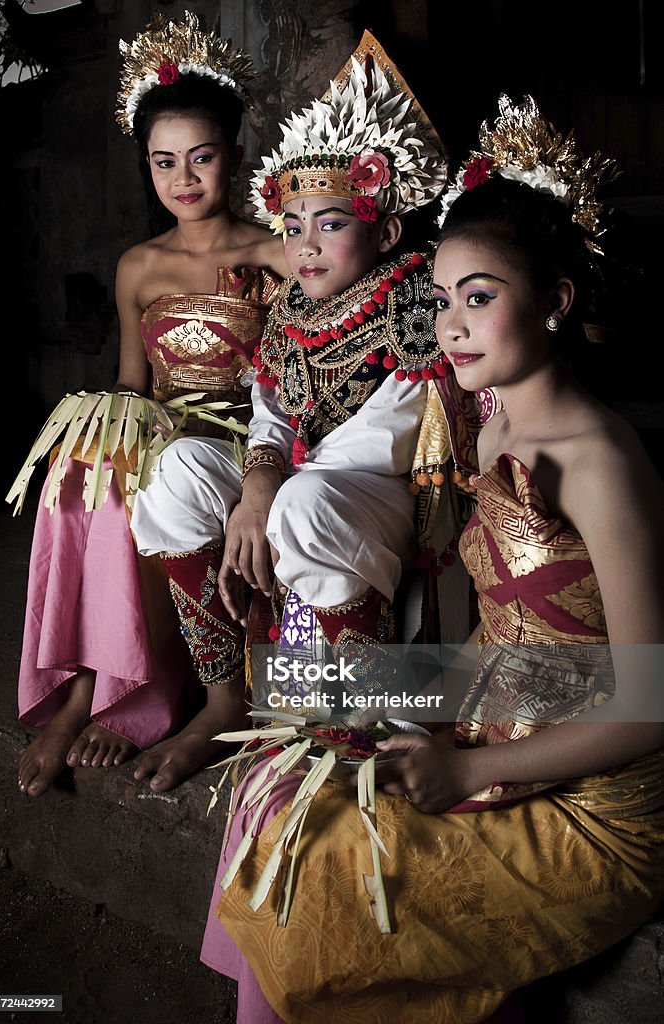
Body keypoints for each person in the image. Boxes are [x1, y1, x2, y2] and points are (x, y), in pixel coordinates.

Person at [200, 94, 664, 1023]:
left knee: (322, 856)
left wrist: (463, 772)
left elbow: (651, 706)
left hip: (595, 793)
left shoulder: (598, 461)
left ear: (556, 303)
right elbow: (489, 630)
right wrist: (415, 701)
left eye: (479, 299)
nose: (449, 325)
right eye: (442, 299)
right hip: (498, 697)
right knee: (276, 759)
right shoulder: (482, 422)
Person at [129, 29, 481, 794]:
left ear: (382, 229)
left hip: (376, 488)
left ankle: (352, 719)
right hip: (292, 477)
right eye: (292, 227)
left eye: (330, 223)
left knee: (305, 505)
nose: (305, 246)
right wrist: (257, 479)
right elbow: (271, 404)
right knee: (179, 471)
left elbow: (397, 428)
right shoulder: (290, 308)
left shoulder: (416, 299)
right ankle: (225, 695)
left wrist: (278, 487)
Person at [16, 10, 289, 799]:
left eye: (201, 157)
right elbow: (132, 382)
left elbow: (299, 375)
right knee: (82, 477)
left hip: (241, 441)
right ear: (146, 165)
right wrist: (102, 440)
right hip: (162, 427)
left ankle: (170, 692)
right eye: (163, 162)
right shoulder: (139, 264)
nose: (183, 179)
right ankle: (85, 693)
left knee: (164, 473)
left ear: (234, 157)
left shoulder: (275, 250)